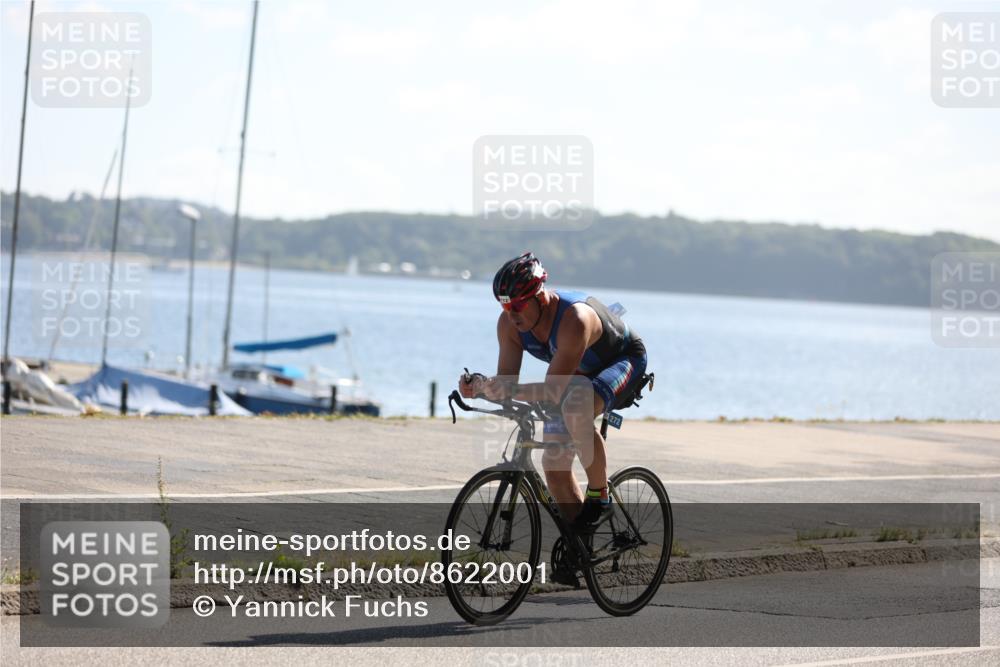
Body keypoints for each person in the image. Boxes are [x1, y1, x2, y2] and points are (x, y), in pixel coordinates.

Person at [458, 252, 648, 584]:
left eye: (518, 305)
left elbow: (552, 390)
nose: (512, 314)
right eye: (505, 306)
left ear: (540, 296)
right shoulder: (509, 325)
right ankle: (581, 548)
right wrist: (481, 387)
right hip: (574, 372)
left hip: (621, 362)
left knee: (575, 408)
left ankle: (600, 497)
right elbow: (508, 384)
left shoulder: (574, 319)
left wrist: (504, 390)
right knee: (555, 468)